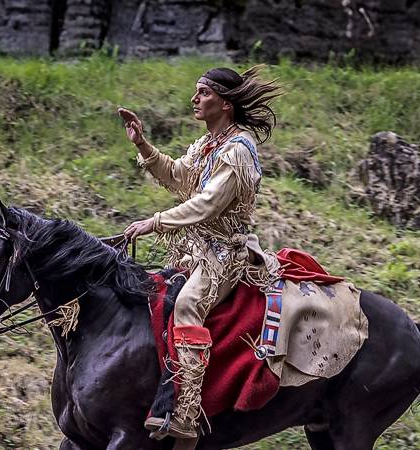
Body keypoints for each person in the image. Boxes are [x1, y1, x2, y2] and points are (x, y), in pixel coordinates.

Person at [118, 66, 282, 440]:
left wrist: (155, 221)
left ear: (225, 103)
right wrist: (142, 143)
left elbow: (207, 205)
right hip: (195, 250)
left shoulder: (239, 149)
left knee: (188, 304)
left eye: (203, 93)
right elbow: (179, 177)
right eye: (197, 92)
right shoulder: (207, 144)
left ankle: (186, 413)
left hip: (224, 255)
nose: (195, 99)